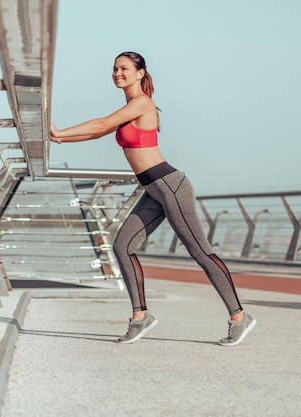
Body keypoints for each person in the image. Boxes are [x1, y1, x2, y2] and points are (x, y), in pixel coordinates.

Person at [50, 51, 256, 346]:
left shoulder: (142, 103)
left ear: (140, 73)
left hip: (170, 186)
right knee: (122, 246)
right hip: (153, 190)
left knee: (200, 251)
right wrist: (59, 138)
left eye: (124, 68)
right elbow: (98, 133)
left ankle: (239, 316)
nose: (117, 73)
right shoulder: (130, 107)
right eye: (114, 69)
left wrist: (59, 132)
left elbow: (100, 125)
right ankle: (140, 317)